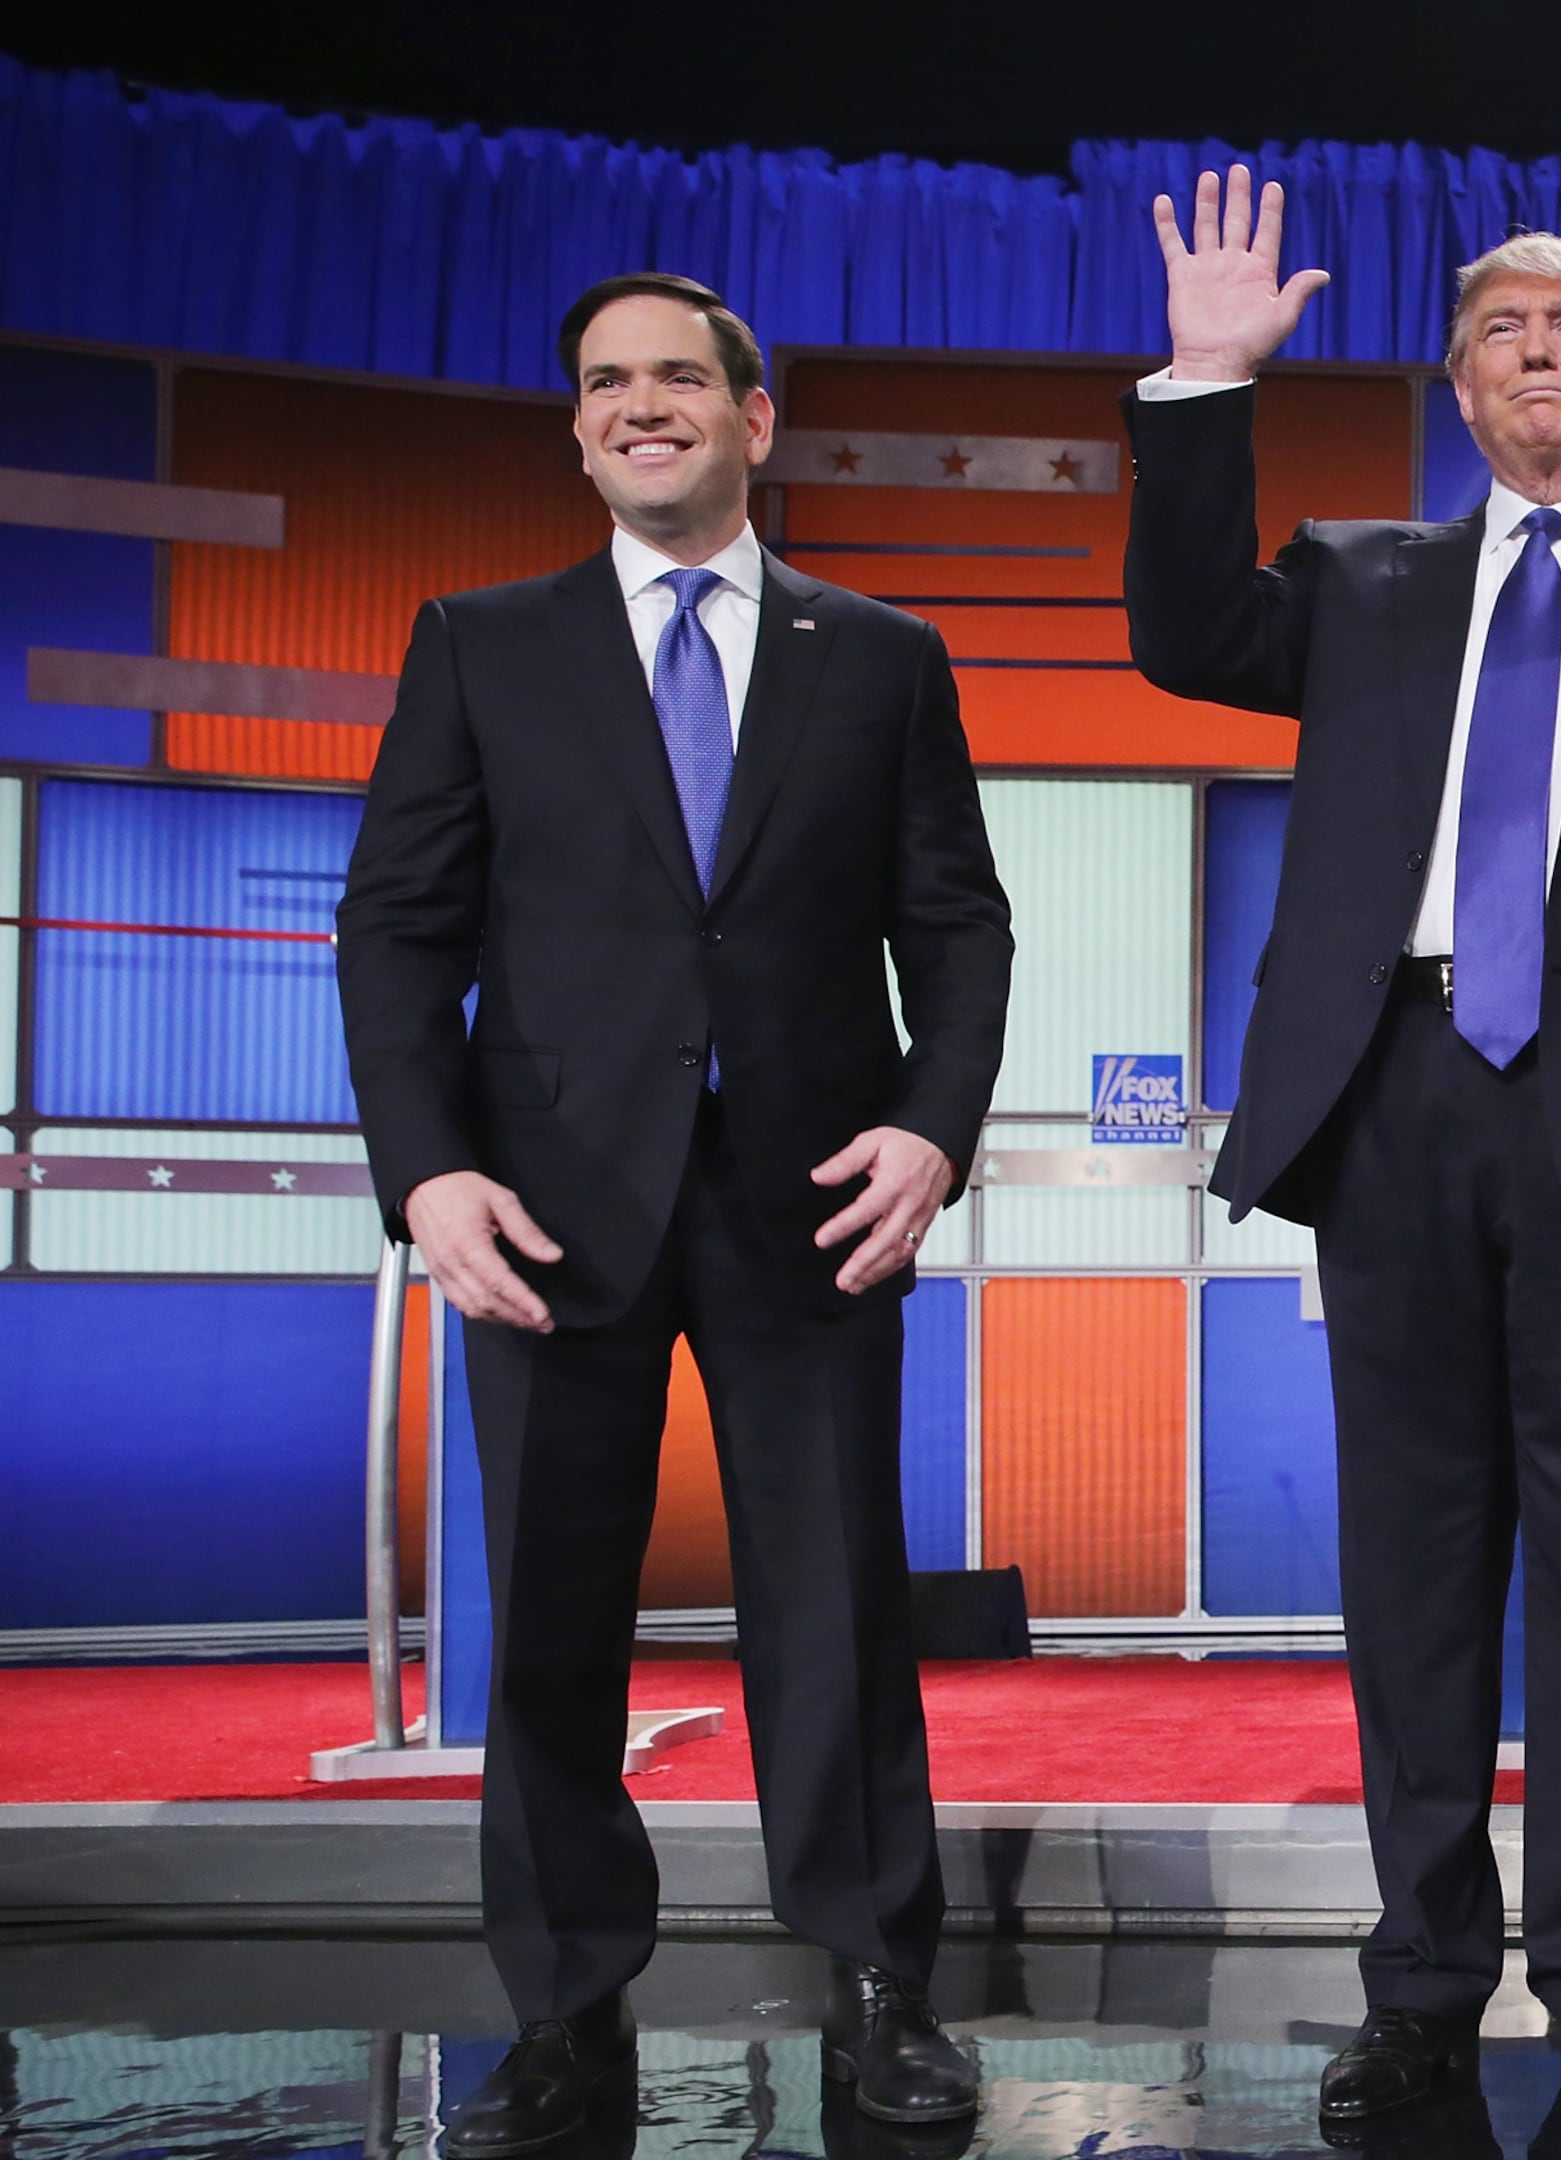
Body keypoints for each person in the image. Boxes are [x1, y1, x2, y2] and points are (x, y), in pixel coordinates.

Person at [1122, 171, 1561, 2121]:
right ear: (1456, 379)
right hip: (1398, 1101)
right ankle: (1424, 1977)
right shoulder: (1360, 583)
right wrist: (1204, 377)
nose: (1537, 349)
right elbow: (1182, 632)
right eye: (1503, 325)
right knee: (1415, 1574)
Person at [337, 272, 1013, 2151]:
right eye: (605, 384)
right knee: (551, 1619)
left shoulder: (881, 655)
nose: (642, 406)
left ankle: (884, 1990)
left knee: (839, 1612)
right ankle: (565, 2012)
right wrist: (429, 1170)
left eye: (677, 380)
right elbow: (396, 922)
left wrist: (930, 1131)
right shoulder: (481, 643)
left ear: (753, 416)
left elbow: (957, 924)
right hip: (544, 1207)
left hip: (812, 1198)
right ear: (577, 428)